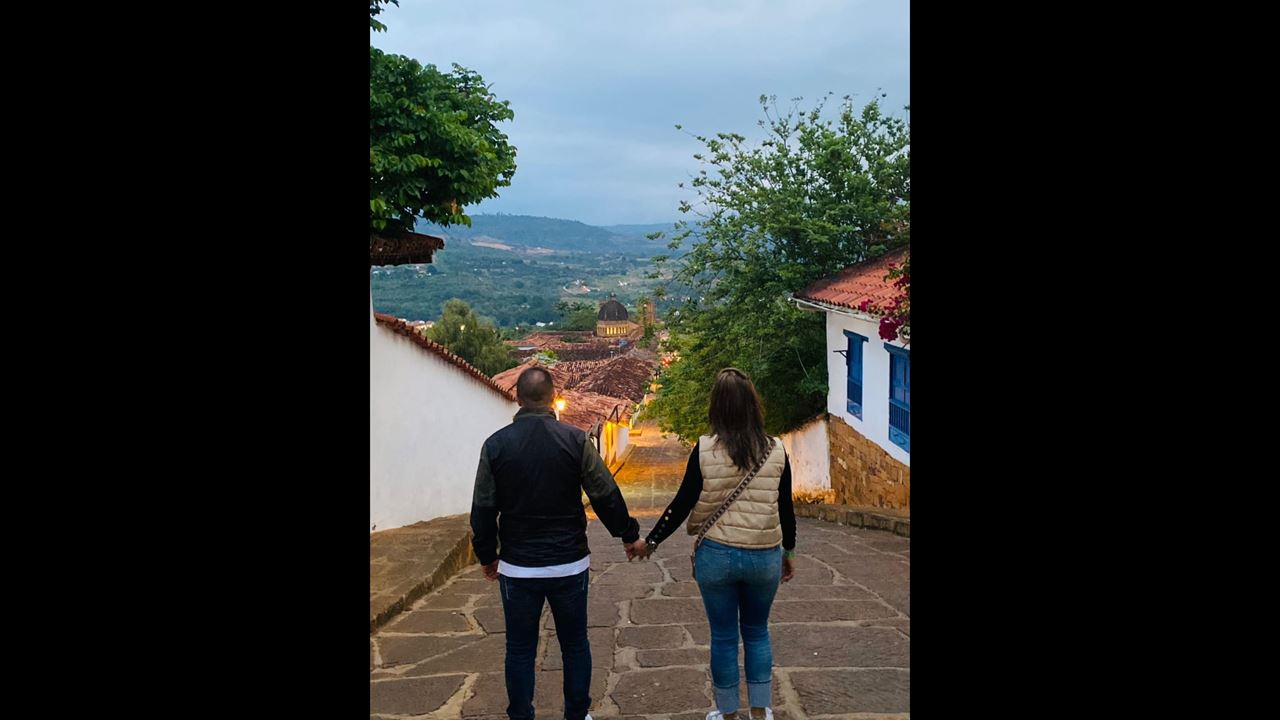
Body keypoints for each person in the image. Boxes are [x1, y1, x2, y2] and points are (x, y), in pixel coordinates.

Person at [470, 366, 648, 720]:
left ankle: (521, 715)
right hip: (568, 563)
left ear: (517, 398)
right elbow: (605, 494)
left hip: (518, 566)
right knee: (575, 644)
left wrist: (488, 556)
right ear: (553, 397)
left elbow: (483, 508)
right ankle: (577, 714)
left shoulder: (495, 446)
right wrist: (629, 535)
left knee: (519, 649)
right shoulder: (576, 440)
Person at [634, 368, 796, 720]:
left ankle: (727, 714)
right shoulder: (777, 449)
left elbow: (682, 502)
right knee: (756, 632)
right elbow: (785, 507)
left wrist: (652, 541)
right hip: (763, 555)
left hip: (717, 556)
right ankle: (760, 711)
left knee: (723, 637)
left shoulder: (705, 449)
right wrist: (789, 552)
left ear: (716, 407)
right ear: (754, 404)